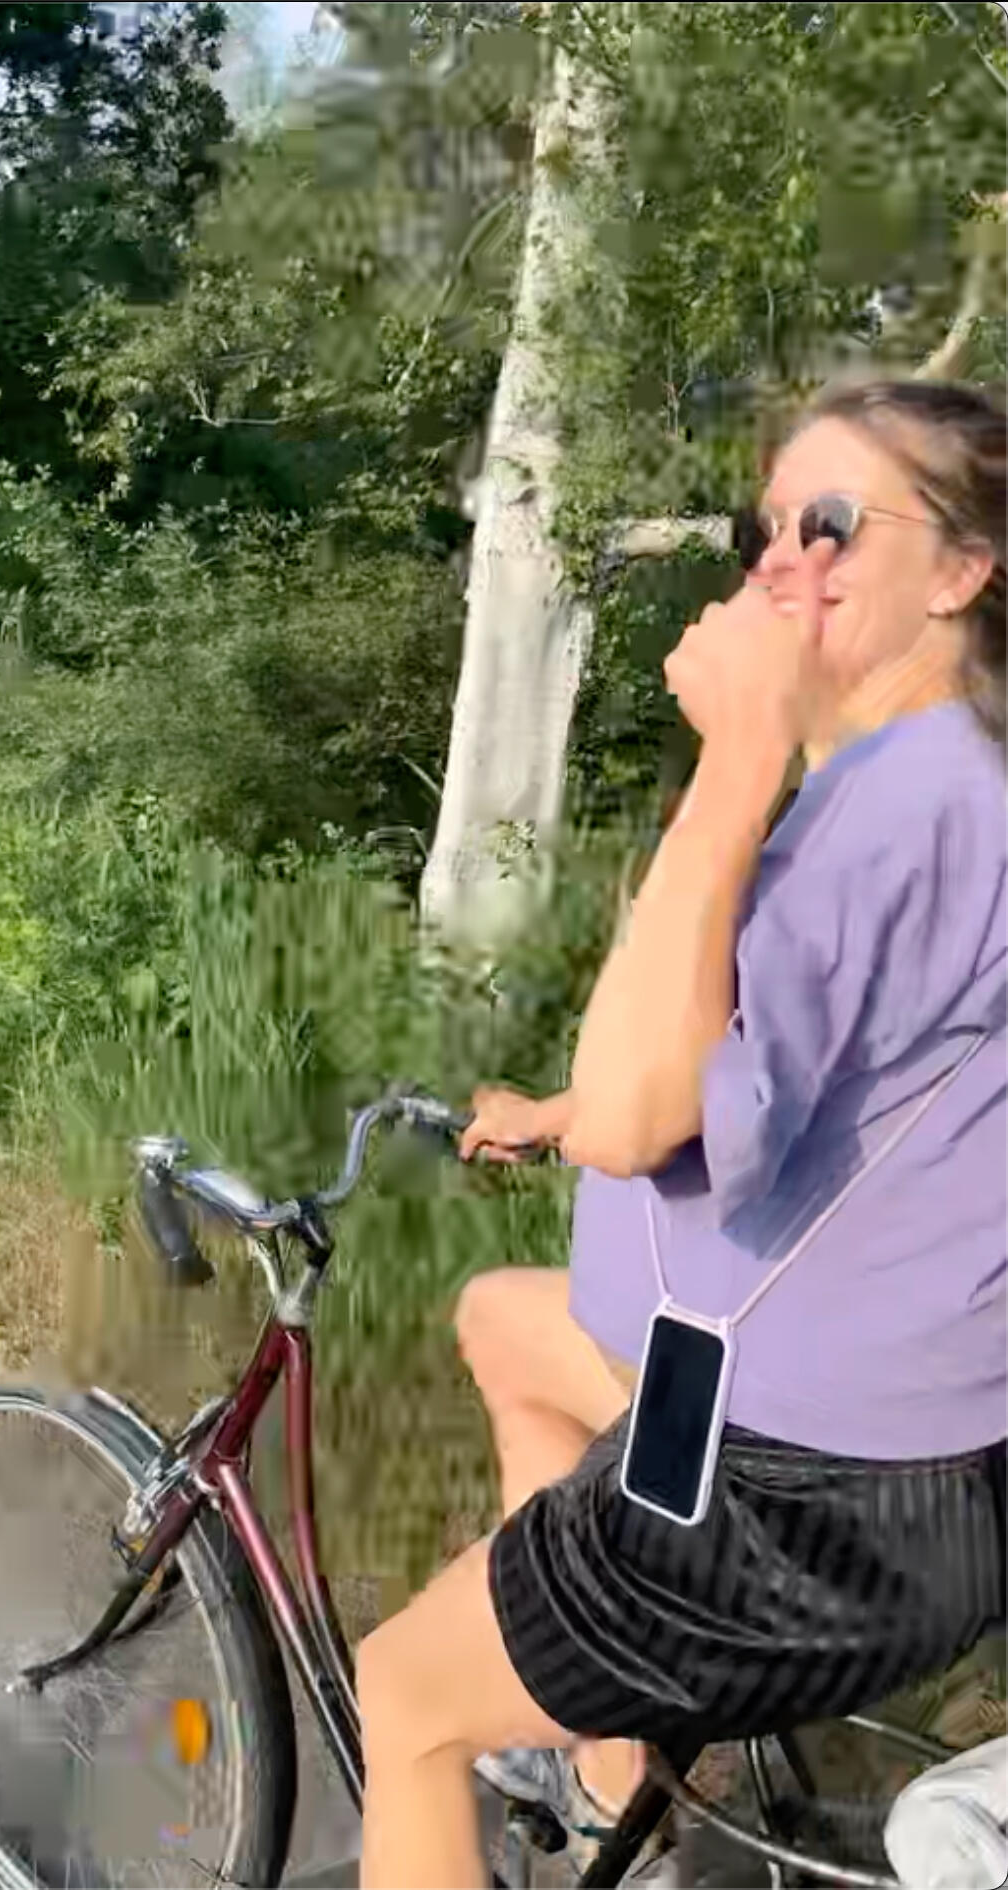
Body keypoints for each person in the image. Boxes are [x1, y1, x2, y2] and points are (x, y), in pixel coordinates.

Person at [355, 377, 1008, 1890]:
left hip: (798, 1509)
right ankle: (602, 1788)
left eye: (834, 523)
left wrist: (733, 759)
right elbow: (788, 1077)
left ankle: (556, 1722)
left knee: (405, 1701)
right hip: (925, 1465)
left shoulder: (889, 810)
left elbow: (650, 1112)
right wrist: (563, 1107)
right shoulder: (952, 782)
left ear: (963, 570)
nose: (783, 557)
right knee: (505, 1323)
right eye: (762, 524)